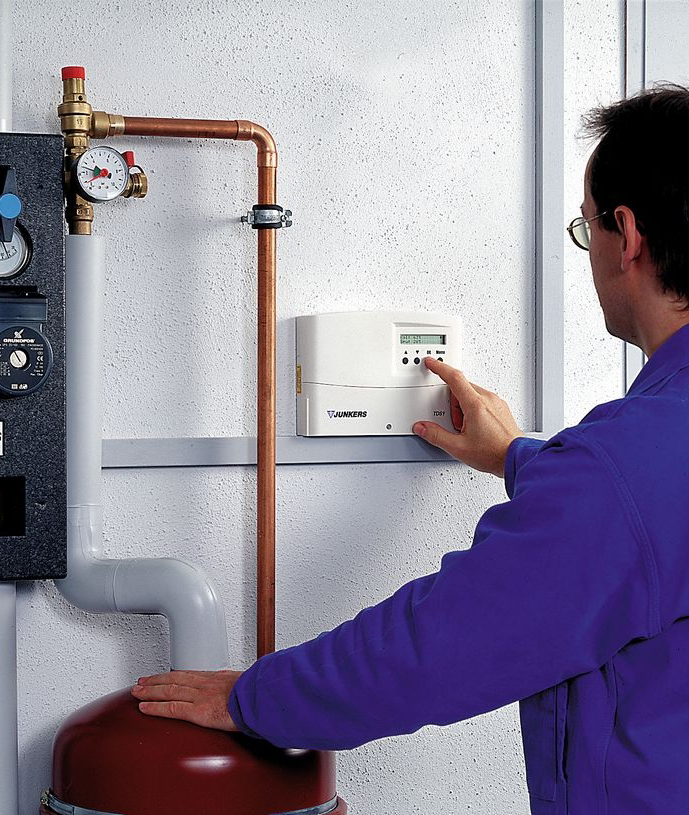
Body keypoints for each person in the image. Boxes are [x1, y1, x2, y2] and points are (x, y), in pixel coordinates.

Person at [132, 85, 689, 814]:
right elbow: (648, 518)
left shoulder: (622, 471)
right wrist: (518, 455)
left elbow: (440, 647)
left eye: (587, 230)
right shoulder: (634, 466)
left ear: (628, 234)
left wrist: (253, 698)